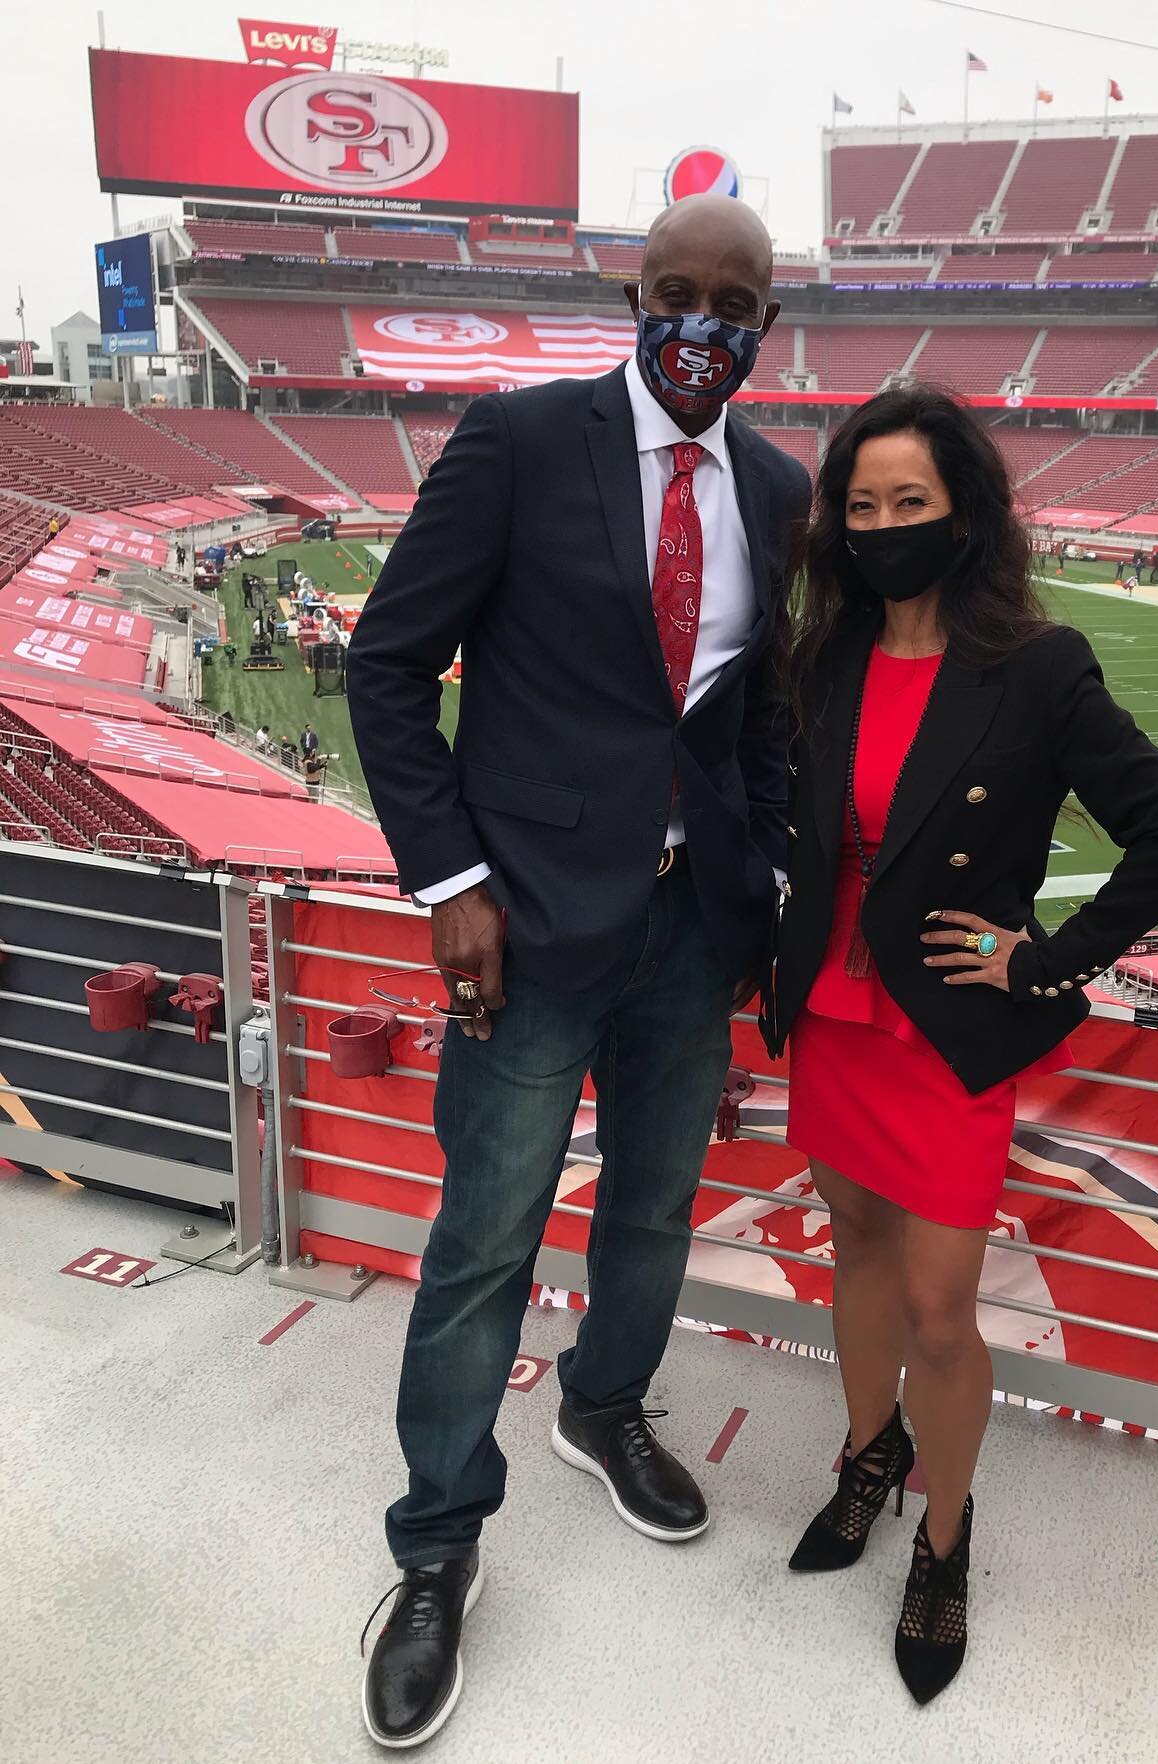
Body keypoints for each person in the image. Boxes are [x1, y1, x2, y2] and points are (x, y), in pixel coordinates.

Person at [345, 194, 810, 1750]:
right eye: (674, 292)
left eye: (730, 301)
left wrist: (780, 881)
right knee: (486, 1236)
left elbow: (756, 721)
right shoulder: (520, 440)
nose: (700, 322)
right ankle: (435, 1542)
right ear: (632, 295)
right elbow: (389, 665)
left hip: (695, 930)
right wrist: (454, 880)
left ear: (764, 319)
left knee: (659, 1207)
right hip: (529, 923)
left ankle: (604, 1406)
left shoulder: (778, 486)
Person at [769, 385, 1158, 1706]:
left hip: (946, 1027)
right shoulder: (822, 656)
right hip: (831, 1015)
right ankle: (866, 1462)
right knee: (852, 1246)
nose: (886, 527)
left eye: (912, 503)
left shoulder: (1040, 663)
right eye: (862, 507)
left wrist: (1044, 954)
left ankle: (946, 1541)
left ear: (965, 512)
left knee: (943, 1311)